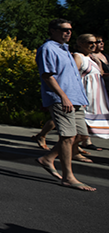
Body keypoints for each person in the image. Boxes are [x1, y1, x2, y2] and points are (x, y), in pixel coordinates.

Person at [34, 19, 96, 191]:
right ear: (53, 31)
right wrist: (63, 97)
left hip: (76, 99)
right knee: (67, 137)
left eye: (70, 30)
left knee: (81, 135)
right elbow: (47, 76)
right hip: (61, 99)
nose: (68, 33)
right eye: (64, 30)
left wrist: (81, 99)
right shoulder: (48, 49)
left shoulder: (66, 50)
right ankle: (68, 177)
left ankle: (48, 158)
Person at [73, 34, 109, 149]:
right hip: (85, 92)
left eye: (95, 42)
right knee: (83, 119)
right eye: (90, 42)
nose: (93, 45)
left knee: (90, 118)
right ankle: (76, 146)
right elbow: (74, 76)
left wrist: (98, 64)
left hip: (97, 93)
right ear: (81, 44)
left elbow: (100, 74)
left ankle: (79, 145)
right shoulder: (78, 56)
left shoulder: (92, 58)